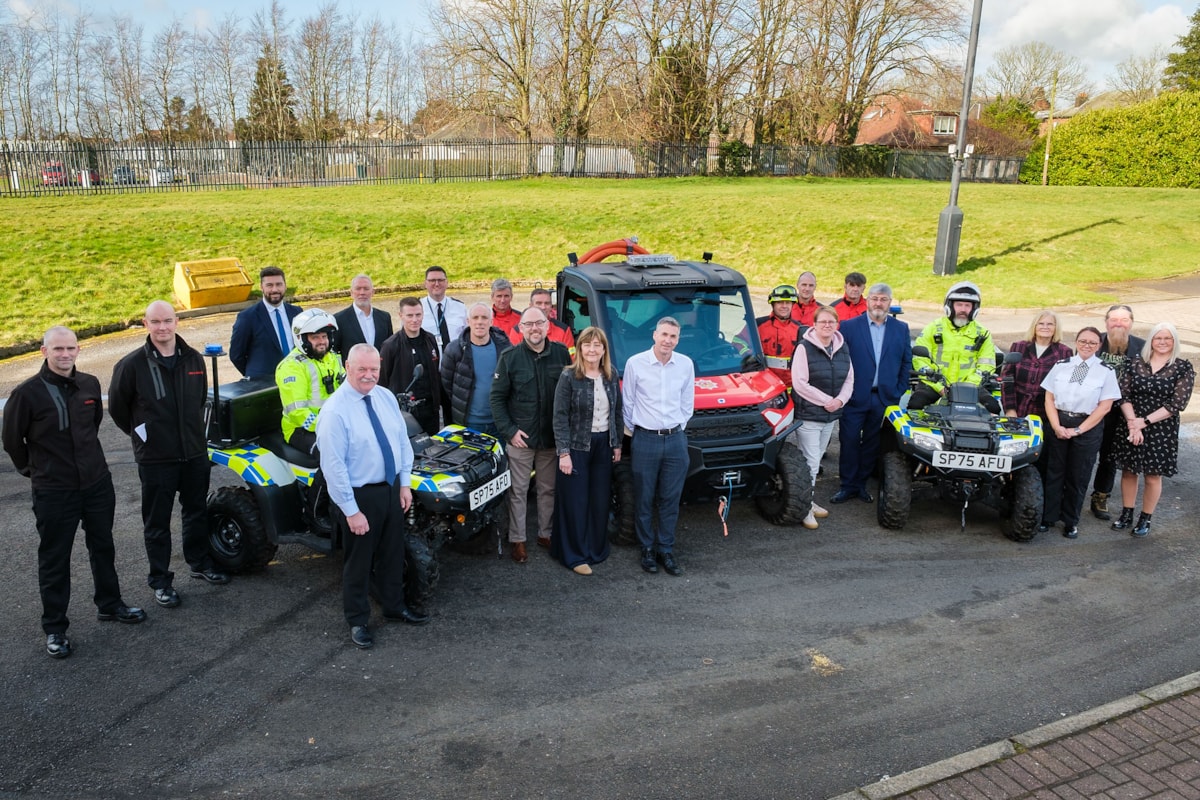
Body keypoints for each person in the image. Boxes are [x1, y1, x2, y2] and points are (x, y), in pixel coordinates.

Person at [3, 327, 146, 659]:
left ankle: (110, 604)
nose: (65, 354)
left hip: (96, 484)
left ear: (78, 351)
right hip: (55, 492)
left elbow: (92, 425)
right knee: (55, 560)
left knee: (103, 546)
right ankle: (55, 628)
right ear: (44, 352)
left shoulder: (89, 384)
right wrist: (35, 471)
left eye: (70, 348)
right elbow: (13, 442)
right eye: (58, 349)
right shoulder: (26, 394)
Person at [109, 301, 229, 608]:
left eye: (167, 321)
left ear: (176, 321)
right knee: (157, 522)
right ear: (145, 324)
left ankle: (199, 563)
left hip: (193, 454)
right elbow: (120, 410)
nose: (162, 327)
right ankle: (160, 581)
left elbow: (200, 399)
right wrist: (145, 436)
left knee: (196, 511)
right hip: (156, 460)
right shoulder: (131, 365)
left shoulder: (193, 359)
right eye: (155, 322)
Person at [316, 344, 430, 649]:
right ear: (347, 368)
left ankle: (394, 606)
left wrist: (404, 484)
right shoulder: (335, 411)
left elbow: (401, 443)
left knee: (392, 552)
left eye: (374, 370)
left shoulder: (384, 397)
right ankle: (357, 621)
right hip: (358, 496)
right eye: (362, 370)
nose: (369, 376)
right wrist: (351, 512)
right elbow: (333, 467)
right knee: (359, 561)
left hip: (391, 489)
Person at [491, 306, 572, 563]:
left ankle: (545, 534)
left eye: (539, 323)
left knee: (548, 489)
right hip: (521, 439)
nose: (534, 328)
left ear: (548, 325)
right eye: (528, 324)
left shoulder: (561, 353)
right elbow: (496, 399)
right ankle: (518, 539)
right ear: (521, 328)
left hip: (550, 438)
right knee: (518, 491)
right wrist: (510, 431)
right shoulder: (509, 357)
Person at [622, 317, 694, 576]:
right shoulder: (635, 363)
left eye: (673, 337)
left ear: (678, 339)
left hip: (676, 440)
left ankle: (665, 548)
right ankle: (647, 549)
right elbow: (627, 404)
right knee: (644, 498)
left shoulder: (685, 364)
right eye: (664, 335)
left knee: (670, 499)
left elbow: (687, 403)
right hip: (645, 439)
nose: (668, 340)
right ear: (654, 335)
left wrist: (675, 429)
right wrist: (641, 430)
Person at [1110, 322, 1195, 538]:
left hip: (1160, 428)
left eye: (1168, 338)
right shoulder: (1134, 363)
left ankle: (1145, 518)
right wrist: (1132, 422)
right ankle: (1126, 514)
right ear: (1151, 341)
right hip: (1130, 423)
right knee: (1129, 470)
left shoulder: (1183, 367)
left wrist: (1143, 422)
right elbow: (1123, 395)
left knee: (1152, 475)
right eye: (1158, 338)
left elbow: (1177, 404)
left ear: (1174, 342)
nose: (1163, 342)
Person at [1039, 327, 1122, 539]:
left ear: (1099, 346)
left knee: (1078, 475)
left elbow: (1104, 407)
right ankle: (1048, 517)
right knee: (1054, 471)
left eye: (1092, 343)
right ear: (1076, 342)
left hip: (1087, 426)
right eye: (1083, 341)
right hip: (1059, 421)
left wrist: (1077, 430)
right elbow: (1049, 398)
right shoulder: (1061, 366)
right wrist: (1057, 426)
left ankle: (1070, 521)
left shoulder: (1106, 371)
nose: (1087, 345)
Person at [551, 327, 622, 575]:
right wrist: (564, 453)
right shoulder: (569, 377)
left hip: (604, 445)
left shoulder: (610, 375)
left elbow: (617, 412)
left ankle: (595, 548)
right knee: (576, 502)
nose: (592, 349)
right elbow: (559, 417)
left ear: (604, 349)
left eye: (597, 345)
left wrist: (617, 444)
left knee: (599, 500)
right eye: (587, 344)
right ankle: (575, 555)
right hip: (577, 447)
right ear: (580, 348)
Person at [833, 284, 910, 505]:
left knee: (872, 443)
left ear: (890, 302)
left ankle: (861, 484)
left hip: (884, 398)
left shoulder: (901, 329)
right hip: (854, 396)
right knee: (848, 440)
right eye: (875, 298)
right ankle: (847, 486)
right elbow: (839, 361)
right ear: (867, 300)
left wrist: (898, 391)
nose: (878, 303)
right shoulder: (848, 327)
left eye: (883, 299)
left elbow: (906, 363)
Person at [791, 306, 853, 528]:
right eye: (822, 322)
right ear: (814, 324)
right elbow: (799, 383)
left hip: (830, 416)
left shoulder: (842, 347)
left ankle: (809, 499)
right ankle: (803, 507)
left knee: (815, 462)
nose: (827, 325)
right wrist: (827, 400)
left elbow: (849, 379)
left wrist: (840, 401)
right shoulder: (804, 348)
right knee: (811, 462)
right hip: (809, 415)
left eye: (831, 322)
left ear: (837, 324)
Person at [1000, 311, 1074, 481]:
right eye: (1041, 323)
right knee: (1011, 453)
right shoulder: (1018, 347)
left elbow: (1065, 386)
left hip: (1046, 414)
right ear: (1034, 326)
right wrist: (1010, 409)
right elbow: (1007, 380)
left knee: (1039, 457)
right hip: (1018, 410)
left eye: (1050, 324)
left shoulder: (1065, 352)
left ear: (1056, 328)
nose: (1045, 327)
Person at [1089, 304, 1146, 521]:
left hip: (1122, 413)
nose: (1119, 324)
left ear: (1131, 323)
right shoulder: (1094, 342)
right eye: (1114, 320)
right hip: (1093, 410)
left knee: (1110, 457)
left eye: (1124, 320)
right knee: (1084, 455)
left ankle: (1100, 496)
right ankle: (1071, 493)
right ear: (1106, 322)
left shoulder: (1142, 348)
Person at [910, 281, 999, 414]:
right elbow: (919, 359)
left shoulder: (983, 334)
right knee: (915, 404)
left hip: (971, 386)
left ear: (974, 309)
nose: (963, 309)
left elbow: (987, 365)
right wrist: (939, 386)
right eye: (959, 304)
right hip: (934, 385)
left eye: (967, 305)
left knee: (994, 407)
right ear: (949, 306)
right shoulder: (933, 328)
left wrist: (967, 387)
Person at [276, 309, 345, 456]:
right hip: (300, 429)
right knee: (332, 454)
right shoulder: (292, 367)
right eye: (315, 337)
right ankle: (322, 481)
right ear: (302, 339)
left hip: (334, 424)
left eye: (324, 336)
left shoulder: (332, 358)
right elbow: (297, 413)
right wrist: (327, 426)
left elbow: (348, 392)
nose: (322, 341)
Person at [441, 302, 512, 435]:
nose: (480, 322)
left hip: (499, 422)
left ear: (491, 321)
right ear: (468, 321)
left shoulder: (505, 348)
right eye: (475, 317)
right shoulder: (454, 350)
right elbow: (448, 385)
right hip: (469, 423)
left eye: (484, 318)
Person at [379, 297, 443, 436]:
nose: (414, 319)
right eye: (409, 315)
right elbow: (382, 382)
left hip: (431, 412)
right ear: (401, 316)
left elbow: (436, 372)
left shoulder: (430, 340)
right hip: (405, 415)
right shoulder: (390, 346)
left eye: (418, 315)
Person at [230, 266, 303, 379]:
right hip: (263, 384)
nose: (274, 289)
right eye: (269, 285)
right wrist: (254, 374)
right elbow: (236, 355)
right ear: (261, 287)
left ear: (285, 285)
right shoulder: (247, 317)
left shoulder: (297, 312)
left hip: (296, 378)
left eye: (279, 284)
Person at [334, 274, 393, 360]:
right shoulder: (339, 319)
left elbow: (389, 348)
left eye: (366, 289)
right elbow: (335, 352)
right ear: (351, 293)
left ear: (372, 292)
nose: (362, 293)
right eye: (358, 289)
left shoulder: (384, 317)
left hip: (380, 371)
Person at [757, 284, 803, 389]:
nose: (784, 306)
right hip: (765, 386)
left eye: (788, 303)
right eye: (780, 302)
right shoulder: (758, 325)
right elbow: (739, 344)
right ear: (772, 304)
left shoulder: (800, 329)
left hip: (792, 388)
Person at [420, 265, 467, 356]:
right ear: (425, 283)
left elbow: (468, 337)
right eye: (432, 280)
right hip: (428, 364)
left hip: (456, 365)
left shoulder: (460, 307)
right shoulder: (416, 308)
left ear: (447, 283)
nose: (437, 284)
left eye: (440, 280)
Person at [520, 288, 575, 355]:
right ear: (530, 306)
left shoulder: (564, 330)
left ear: (551, 306)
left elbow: (571, 358)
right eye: (539, 303)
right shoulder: (517, 331)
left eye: (547, 303)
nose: (543, 307)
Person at [490, 278, 522, 343]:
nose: (503, 300)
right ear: (492, 297)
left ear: (511, 297)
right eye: (499, 296)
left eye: (506, 296)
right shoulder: (485, 318)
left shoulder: (522, 318)